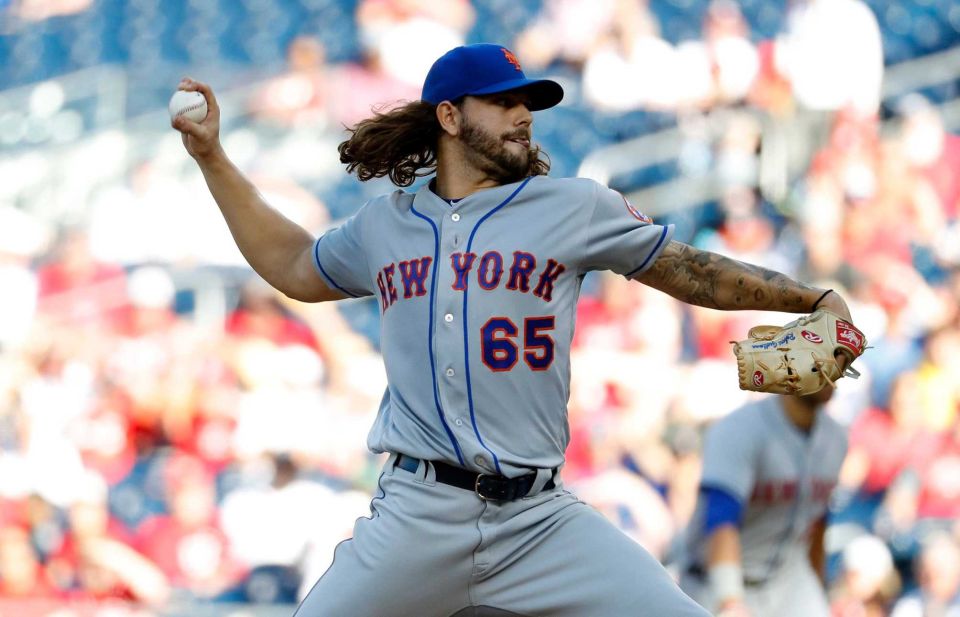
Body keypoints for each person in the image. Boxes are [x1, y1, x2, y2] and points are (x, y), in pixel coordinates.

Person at [172, 42, 857, 617]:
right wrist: (213, 160)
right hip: (418, 513)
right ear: (449, 115)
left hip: (539, 518)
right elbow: (293, 264)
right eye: (503, 101)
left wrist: (808, 296)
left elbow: (689, 269)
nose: (522, 115)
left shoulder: (572, 206)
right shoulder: (387, 225)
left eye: (526, 102)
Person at [679, 386, 847, 617]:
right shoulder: (740, 429)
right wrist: (730, 602)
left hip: (788, 583)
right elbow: (720, 521)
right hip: (714, 581)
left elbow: (818, 525)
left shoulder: (836, 438)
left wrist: (817, 589)